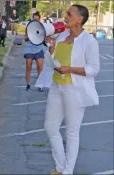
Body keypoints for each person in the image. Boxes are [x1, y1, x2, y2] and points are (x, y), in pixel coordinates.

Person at [44, 5, 100, 175]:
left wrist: (70, 69)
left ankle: (68, 171)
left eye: (69, 14)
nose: (65, 16)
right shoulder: (61, 36)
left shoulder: (89, 41)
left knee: (72, 131)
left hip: (74, 90)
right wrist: (51, 50)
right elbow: (50, 64)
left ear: (79, 19)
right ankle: (60, 166)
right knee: (50, 127)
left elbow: (94, 69)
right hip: (56, 87)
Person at [23, 11, 45, 92]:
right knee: (28, 66)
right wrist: (28, 36)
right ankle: (28, 84)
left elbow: (44, 37)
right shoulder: (29, 26)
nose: (35, 21)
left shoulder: (42, 27)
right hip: (29, 48)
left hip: (39, 48)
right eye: (34, 19)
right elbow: (25, 38)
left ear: (39, 19)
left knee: (40, 67)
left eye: (37, 19)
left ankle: (40, 85)